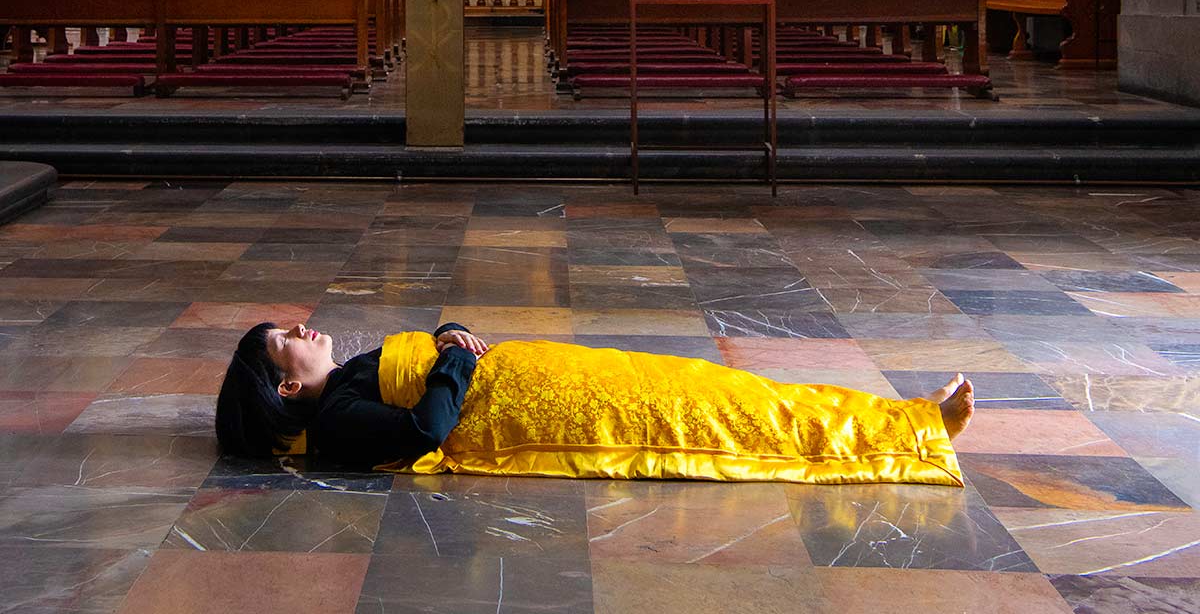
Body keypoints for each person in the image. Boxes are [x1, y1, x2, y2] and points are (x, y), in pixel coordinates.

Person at [215, 318, 974, 485]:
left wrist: (451, 330)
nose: (302, 327)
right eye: (287, 338)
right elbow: (424, 431)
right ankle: (911, 430)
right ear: (286, 384)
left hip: (541, 376)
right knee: (708, 415)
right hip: (536, 412)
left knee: (715, 387)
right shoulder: (340, 416)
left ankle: (898, 418)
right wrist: (452, 360)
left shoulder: (346, 374)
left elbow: (428, 354)